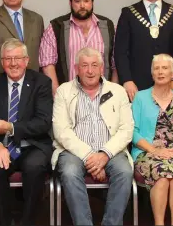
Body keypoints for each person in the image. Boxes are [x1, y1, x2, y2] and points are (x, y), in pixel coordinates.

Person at [52, 47, 134, 226]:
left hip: (110, 150)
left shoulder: (118, 91)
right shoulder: (64, 91)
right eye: (85, 65)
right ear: (76, 68)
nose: (90, 71)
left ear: (102, 68)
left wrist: (104, 154)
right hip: (73, 151)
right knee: (69, 172)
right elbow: (61, 130)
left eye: (94, 65)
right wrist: (90, 156)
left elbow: (126, 129)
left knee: (125, 172)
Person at [0, 40, 53, 226]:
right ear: (2, 61)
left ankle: (28, 221)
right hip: (1, 145)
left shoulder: (42, 83)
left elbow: (44, 123)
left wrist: (11, 127)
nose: (13, 63)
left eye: (18, 58)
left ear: (27, 60)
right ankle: (6, 221)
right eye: (8, 59)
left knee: (35, 167)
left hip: (33, 145)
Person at [131, 54, 173, 226]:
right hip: (146, 151)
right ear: (152, 74)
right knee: (163, 175)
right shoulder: (140, 98)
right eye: (156, 68)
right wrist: (155, 150)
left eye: (165, 68)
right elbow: (133, 132)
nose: (160, 72)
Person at [39, 0, 117, 95]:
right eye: (77, 1)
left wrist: (112, 93)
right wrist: (57, 95)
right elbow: (47, 63)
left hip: (102, 96)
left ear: (92, 2)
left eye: (86, 0)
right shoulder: (56, 27)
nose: (82, 5)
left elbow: (116, 62)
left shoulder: (108, 26)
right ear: (70, 3)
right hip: (69, 96)